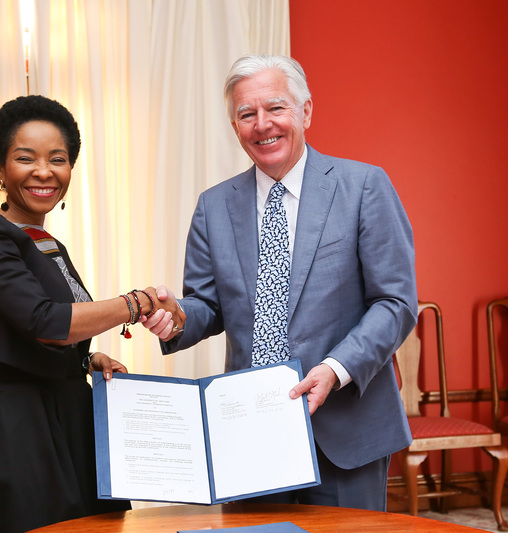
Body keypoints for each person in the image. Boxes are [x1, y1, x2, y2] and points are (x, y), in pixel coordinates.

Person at [143, 55, 417, 511]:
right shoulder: (214, 206)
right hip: (250, 433)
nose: (262, 125)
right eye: (246, 114)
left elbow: (395, 302)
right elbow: (208, 306)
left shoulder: (364, 186)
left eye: (275, 108)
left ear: (305, 111)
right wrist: (175, 319)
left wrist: (335, 369)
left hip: (345, 428)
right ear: (235, 126)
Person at [0, 95, 181, 532]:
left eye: (58, 159)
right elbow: (46, 323)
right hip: (19, 430)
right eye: (25, 158)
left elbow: (44, 333)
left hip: (69, 419)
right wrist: (136, 302)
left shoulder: (45, 243)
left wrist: (85, 360)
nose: (44, 171)